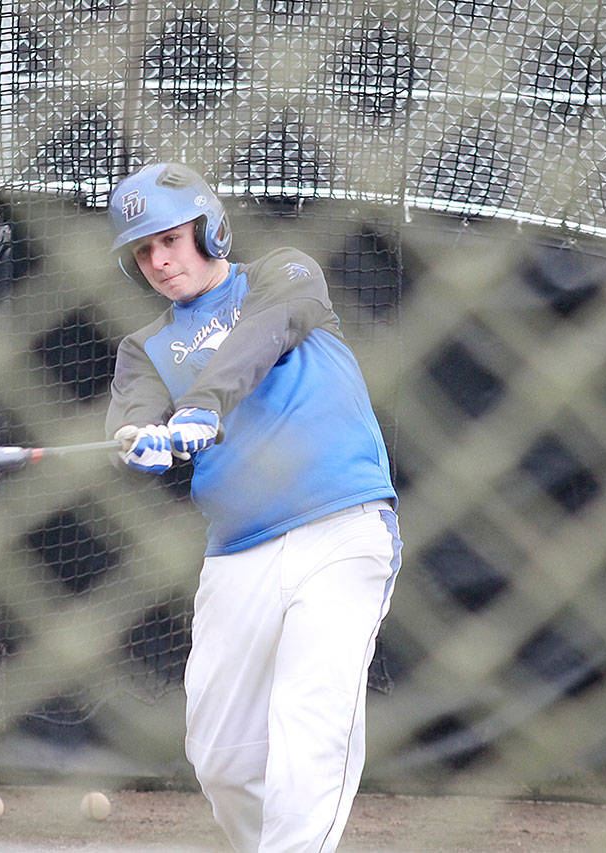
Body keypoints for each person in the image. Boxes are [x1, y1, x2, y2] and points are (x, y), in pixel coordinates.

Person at [104, 161, 402, 853]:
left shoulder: (282, 276)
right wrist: (140, 440)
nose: (159, 260)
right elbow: (134, 416)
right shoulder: (142, 349)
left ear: (210, 228)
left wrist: (204, 404)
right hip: (238, 552)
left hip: (342, 528)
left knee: (309, 728)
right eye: (143, 250)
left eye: (171, 239)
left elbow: (263, 336)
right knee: (223, 758)